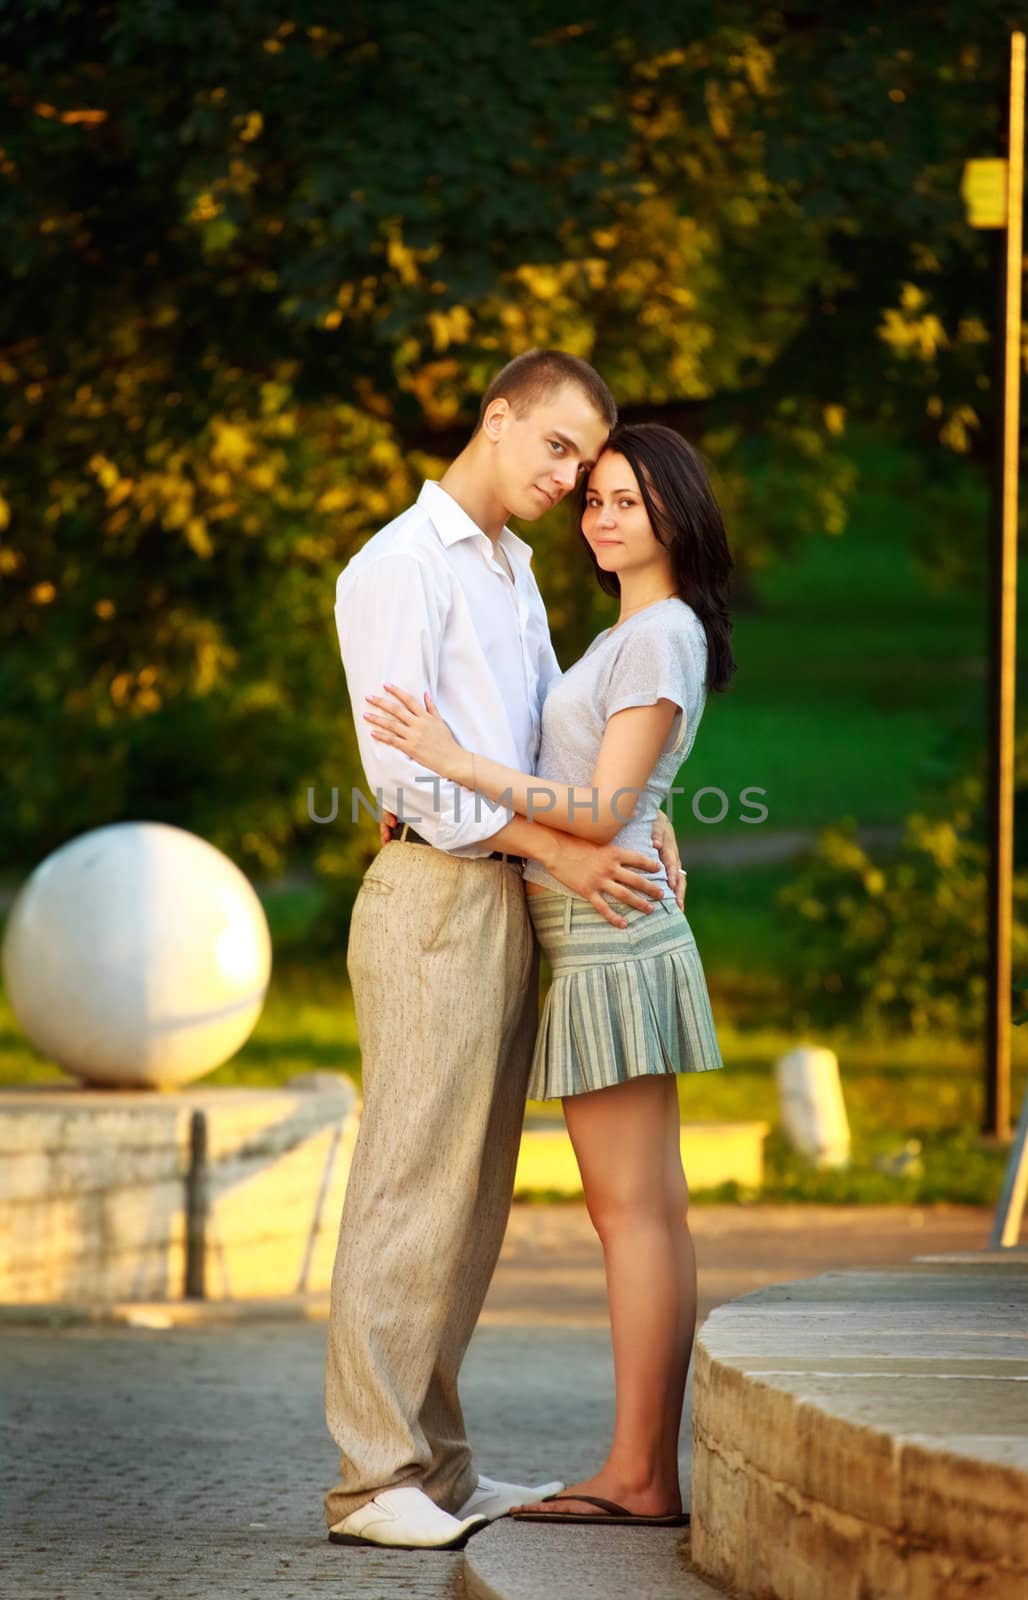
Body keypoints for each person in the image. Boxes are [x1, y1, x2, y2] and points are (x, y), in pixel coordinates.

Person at [325, 353, 687, 1551]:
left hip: (509, 899)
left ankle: (432, 1469)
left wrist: (641, 816)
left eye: (584, 462)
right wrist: (570, 852)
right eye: (556, 450)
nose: (569, 479)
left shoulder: (517, 575)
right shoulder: (396, 567)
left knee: (468, 1199)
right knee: (407, 1182)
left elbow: (558, 737)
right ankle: (370, 1476)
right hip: (435, 895)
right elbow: (405, 775)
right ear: (496, 420)